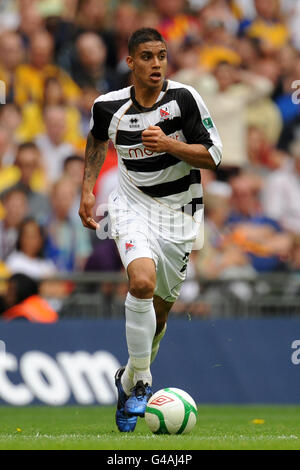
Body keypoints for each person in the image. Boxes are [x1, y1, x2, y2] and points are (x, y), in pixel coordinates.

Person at [78, 28, 222, 433]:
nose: (156, 64)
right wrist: (88, 191)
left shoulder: (184, 99)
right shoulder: (108, 107)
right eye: (147, 57)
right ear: (130, 63)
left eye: (161, 55)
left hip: (179, 216)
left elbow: (213, 155)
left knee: (157, 318)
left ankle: (127, 381)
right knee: (140, 283)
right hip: (131, 207)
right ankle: (142, 382)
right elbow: (95, 142)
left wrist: (169, 144)